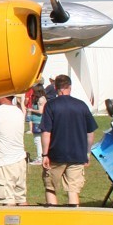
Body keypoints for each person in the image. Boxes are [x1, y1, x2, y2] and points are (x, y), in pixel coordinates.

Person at [40, 75, 98, 206]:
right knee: (73, 190)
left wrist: (44, 154)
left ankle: (53, 216)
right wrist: (87, 153)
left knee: (51, 187)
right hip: (77, 154)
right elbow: (90, 132)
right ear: (69, 87)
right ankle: (73, 218)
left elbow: (46, 132)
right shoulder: (81, 105)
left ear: (56, 88)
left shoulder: (50, 105)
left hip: (56, 153)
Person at [27, 83, 48, 164]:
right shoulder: (41, 98)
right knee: (39, 140)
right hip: (37, 121)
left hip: (38, 122)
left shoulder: (41, 99)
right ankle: (41, 157)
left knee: (37, 140)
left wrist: (31, 110)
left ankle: (40, 158)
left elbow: (41, 111)